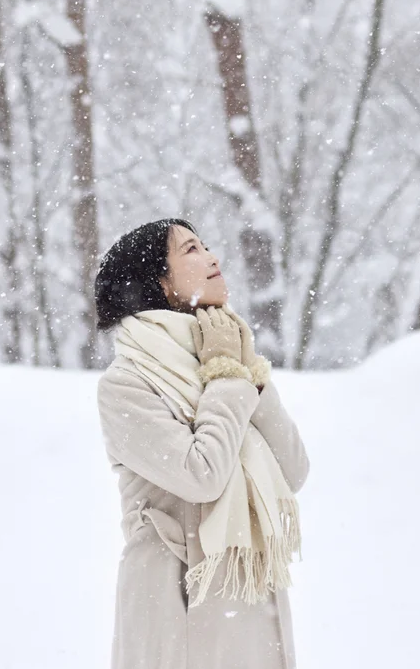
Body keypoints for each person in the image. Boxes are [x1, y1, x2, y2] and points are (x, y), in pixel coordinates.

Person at [95, 218, 310, 669]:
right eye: (191, 250)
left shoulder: (225, 353)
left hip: (247, 596)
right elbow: (201, 475)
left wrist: (242, 372)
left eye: (206, 245)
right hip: (176, 605)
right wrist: (227, 377)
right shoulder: (127, 383)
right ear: (159, 281)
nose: (212, 257)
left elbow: (293, 469)